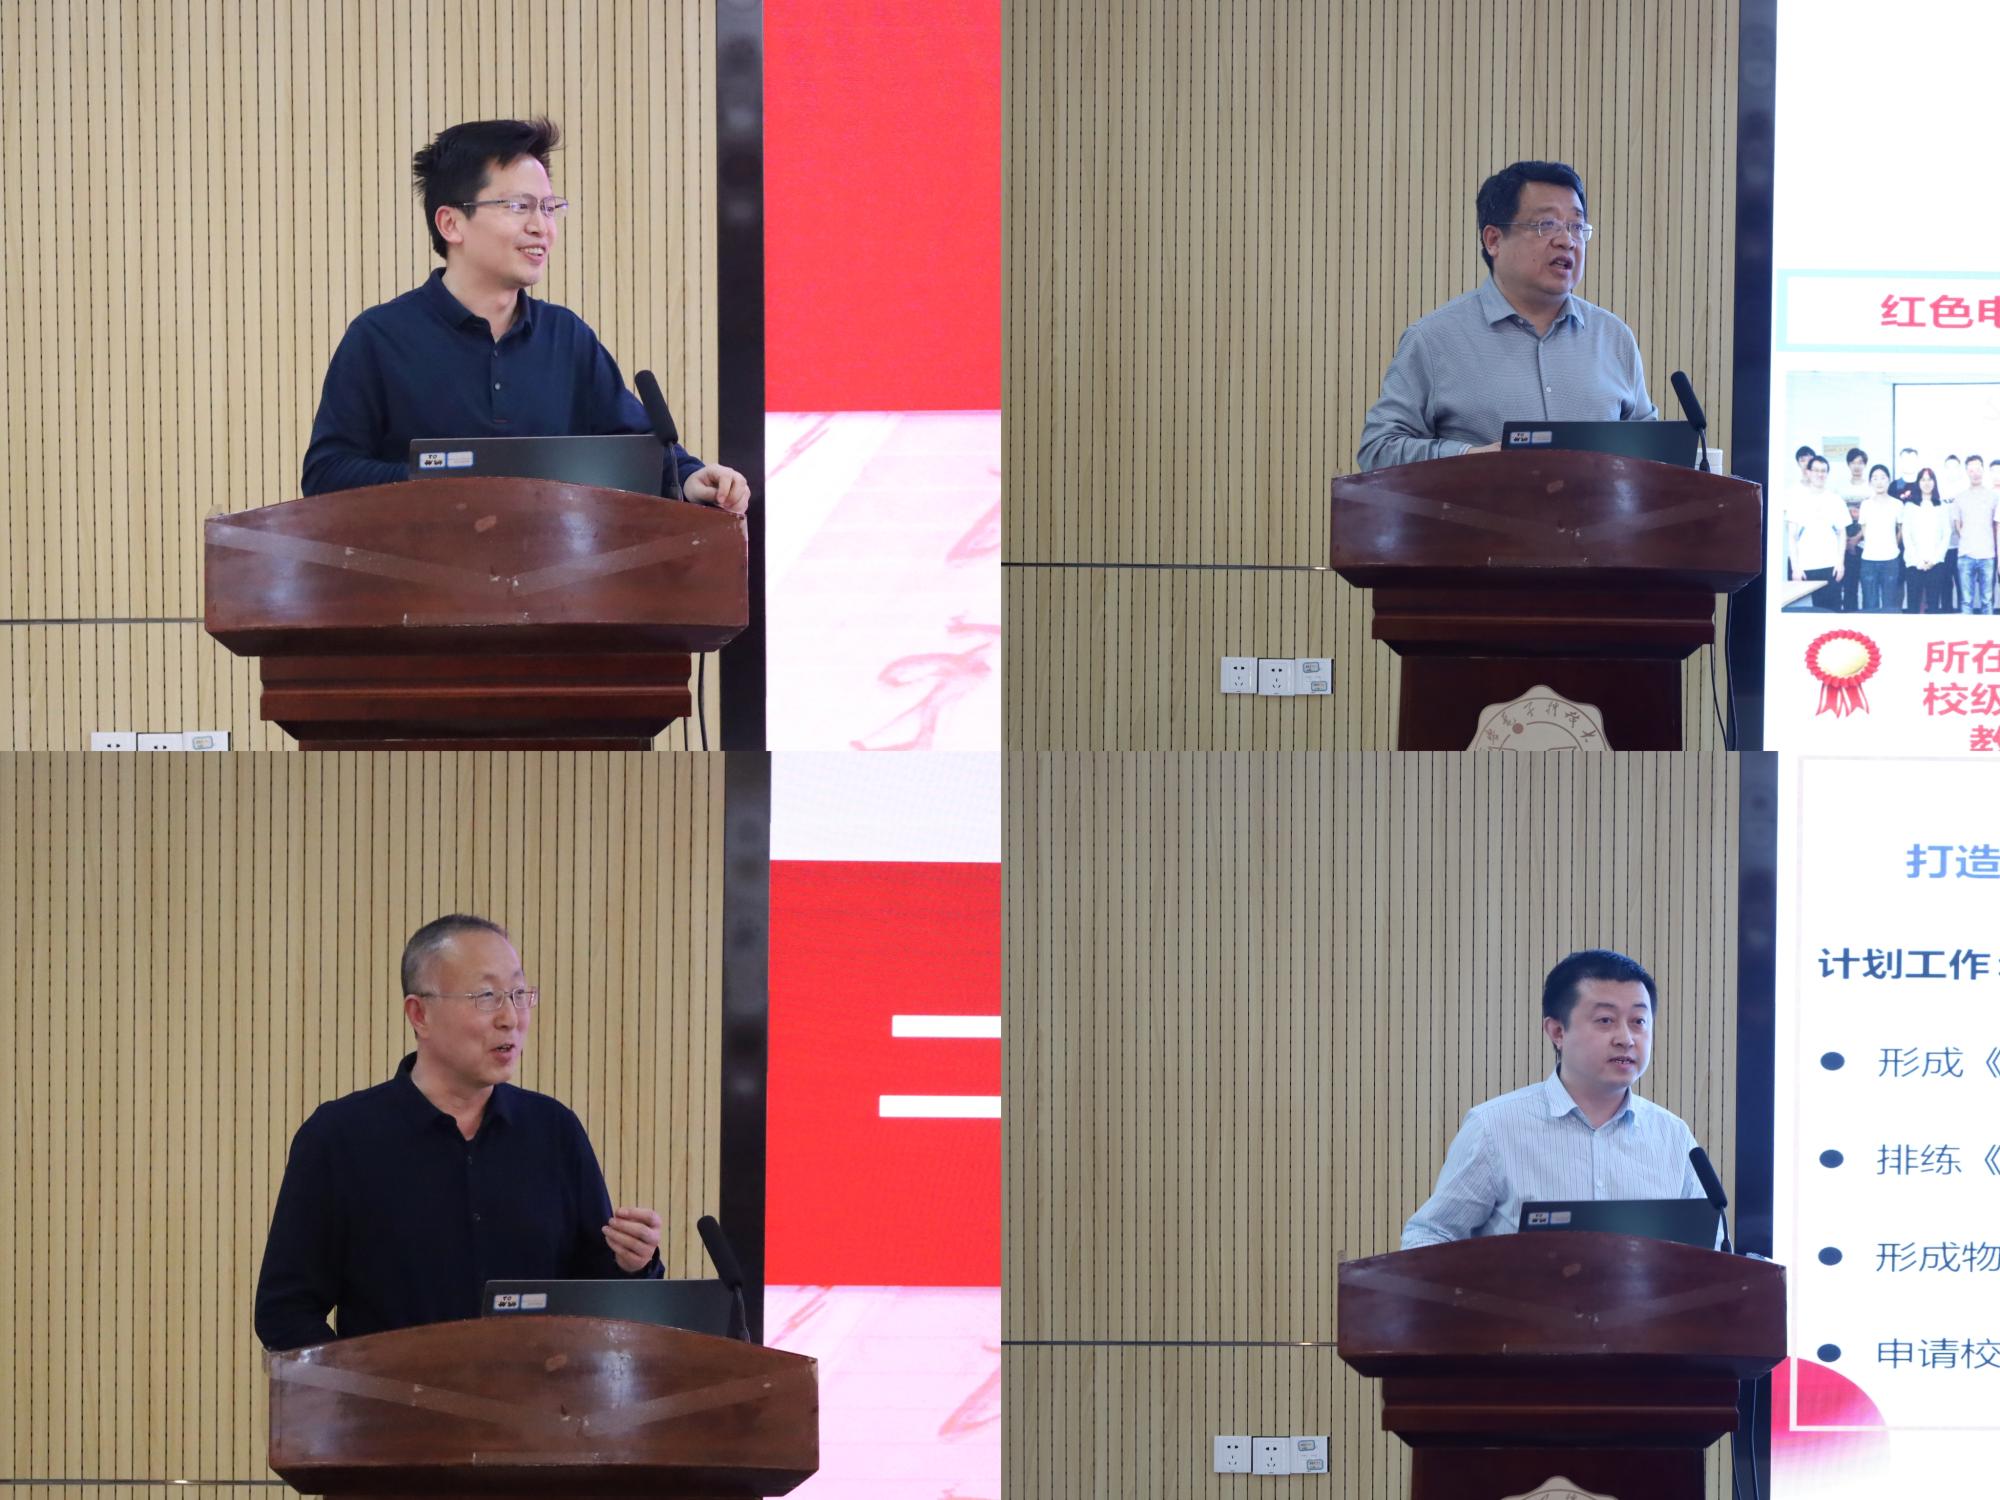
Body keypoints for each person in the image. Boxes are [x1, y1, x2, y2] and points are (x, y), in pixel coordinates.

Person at [254, 914, 665, 1350]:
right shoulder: (339, 1138)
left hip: (538, 1395)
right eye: (486, 997)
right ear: (420, 1014)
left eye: (519, 994)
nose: (510, 1018)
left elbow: (596, 1300)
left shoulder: (555, 1131)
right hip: (394, 1396)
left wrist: (633, 1265)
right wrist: (359, 1382)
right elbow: (285, 1312)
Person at [300, 118, 750, 513]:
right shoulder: (380, 337)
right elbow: (326, 474)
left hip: (555, 578)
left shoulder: (566, 337)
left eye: (549, 208)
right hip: (418, 577)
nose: (541, 227)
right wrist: (445, 483)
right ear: (451, 223)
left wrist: (690, 477)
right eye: (518, 206)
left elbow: (640, 449)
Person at [1401, 950, 1714, 1248]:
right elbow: (1429, 1236)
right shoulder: (1495, 1128)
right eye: (1605, 1020)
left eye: (1639, 1021)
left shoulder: (1673, 1136)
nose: (1626, 1039)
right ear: (1557, 1031)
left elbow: (1709, 1252)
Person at [1356, 160, 1656, 471]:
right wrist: (1469, 459)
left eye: (1577, 227)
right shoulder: (1433, 340)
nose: (1567, 240)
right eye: (1547, 225)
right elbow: (1378, 450)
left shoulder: (1614, 338)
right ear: (1493, 240)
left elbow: (1653, 455)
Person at [1787, 454, 1847, 608]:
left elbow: (1842, 533)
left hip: (1831, 566)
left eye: (1823, 471)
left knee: (1832, 611)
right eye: (1816, 470)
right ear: (1808, 472)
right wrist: (1795, 568)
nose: (1820, 474)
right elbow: (1792, 536)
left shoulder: (1836, 500)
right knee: (1808, 612)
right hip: (1806, 568)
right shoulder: (1797, 500)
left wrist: (1840, 563)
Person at [1854, 463, 1903, 612]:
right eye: (1875, 478)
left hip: (1891, 560)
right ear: (1870, 482)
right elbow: (1864, 528)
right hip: (1869, 560)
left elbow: (1901, 528)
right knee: (1870, 603)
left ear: (1888, 480)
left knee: (1890, 603)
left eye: (1883, 478)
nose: (1879, 482)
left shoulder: (1897, 504)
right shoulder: (1866, 505)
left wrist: (1893, 544)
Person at [1953, 455, 1999, 615]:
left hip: (1988, 555)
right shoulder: (1960, 497)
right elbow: (1957, 525)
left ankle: (1989, 631)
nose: (1975, 473)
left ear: (1983, 470)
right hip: (1966, 555)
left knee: (1987, 601)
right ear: (1966, 472)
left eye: (1978, 469)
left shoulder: (1994, 497)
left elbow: (1996, 525)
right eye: (1971, 470)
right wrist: (1968, 539)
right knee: (1966, 601)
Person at [1899, 474, 1949, 613]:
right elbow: (1906, 534)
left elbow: (1946, 534)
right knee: (1913, 606)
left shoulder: (1942, 506)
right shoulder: (1910, 506)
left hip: (1935, 563)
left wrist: (1934, 559)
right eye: (1923, 480)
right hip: (1914, 563)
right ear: (1918, 483)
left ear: (1935, 482)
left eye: (1930, 479)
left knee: (1933, 606)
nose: (1926, 483)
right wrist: (1917, 560)